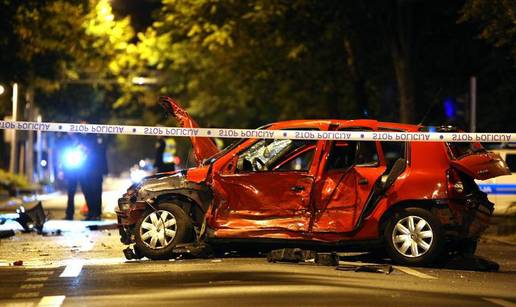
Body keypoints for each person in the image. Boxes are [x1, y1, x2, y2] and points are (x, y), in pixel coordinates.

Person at [79, 133, 108, 221]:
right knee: (87, 193)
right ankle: (91, 213)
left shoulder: (98, 141)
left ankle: (97, 214)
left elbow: (102, 151)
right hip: (84, 172)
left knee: (96, 193)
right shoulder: (81, 140)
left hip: (96, 172)